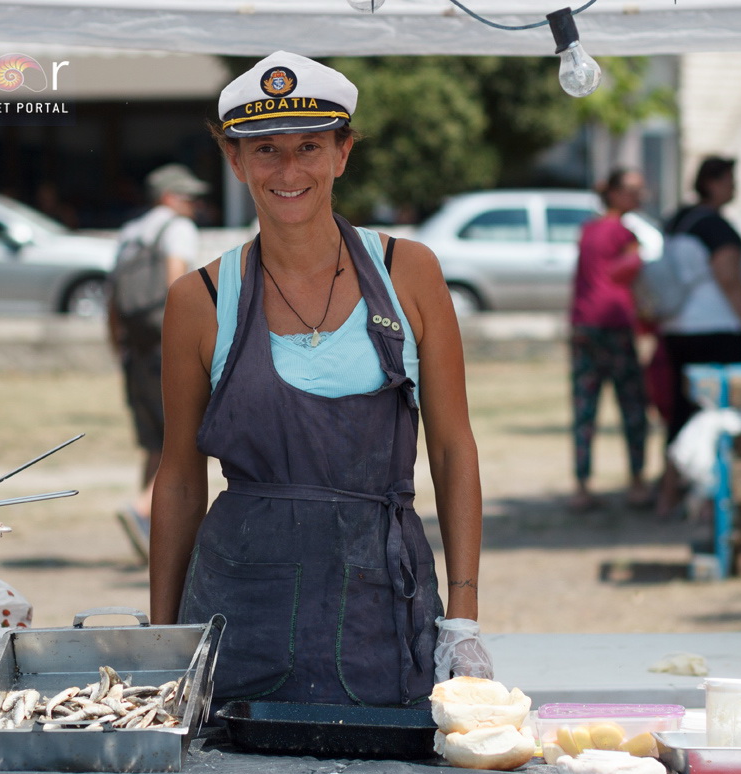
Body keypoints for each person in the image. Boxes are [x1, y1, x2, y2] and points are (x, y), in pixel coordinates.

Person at [148, 52, 491, 709]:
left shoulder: (410, 272)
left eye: (310, 147)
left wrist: (465, 618)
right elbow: (180, 477)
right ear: (235, 161)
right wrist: (165, 642)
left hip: (383, 604)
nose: (289, 171)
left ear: (342, 154)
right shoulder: (199, 299)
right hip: (237, 610)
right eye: (267, 150)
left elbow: (452, 448)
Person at [109, 162, 208, 559]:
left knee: (155, 440)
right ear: (169, 197)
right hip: (165, 345)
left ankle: (149, 524)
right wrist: (188, 341)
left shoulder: (131, 232)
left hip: (135, 348)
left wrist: (117, 344)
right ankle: (142, 509)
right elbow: (176, 283)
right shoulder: (177, 229)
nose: (196, 204)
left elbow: (112, 294)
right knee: (186, 435)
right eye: (189, 197)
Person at [655, 155, 741, 517]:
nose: (735, 187)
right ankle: (709, 498)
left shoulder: (678, 220)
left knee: (682, 412)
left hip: (677, 327)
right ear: (713, 182)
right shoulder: (716, 227)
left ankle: (668, 493)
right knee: (719, 413)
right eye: (730, 180)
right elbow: (729, 280)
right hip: (716, 328)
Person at [569, 168, 652, 512]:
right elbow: (636, 276)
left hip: (584, 327)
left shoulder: (587, 231)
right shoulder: (624, 233)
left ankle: (582, 488)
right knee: (632, 406)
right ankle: (636, 484)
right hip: (615, 328)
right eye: (632, 190)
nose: (639, 196)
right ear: (614, 193)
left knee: (584, 410)